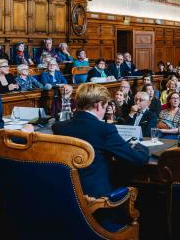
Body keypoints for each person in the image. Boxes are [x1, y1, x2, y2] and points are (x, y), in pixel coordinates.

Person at [51, 83, 149, 226]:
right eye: (105, 106)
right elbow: (138, 159)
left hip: (66, 199)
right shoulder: (105, 129)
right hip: (98, 205)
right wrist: (141, 146)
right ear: (98, 105)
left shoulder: (59, 127)